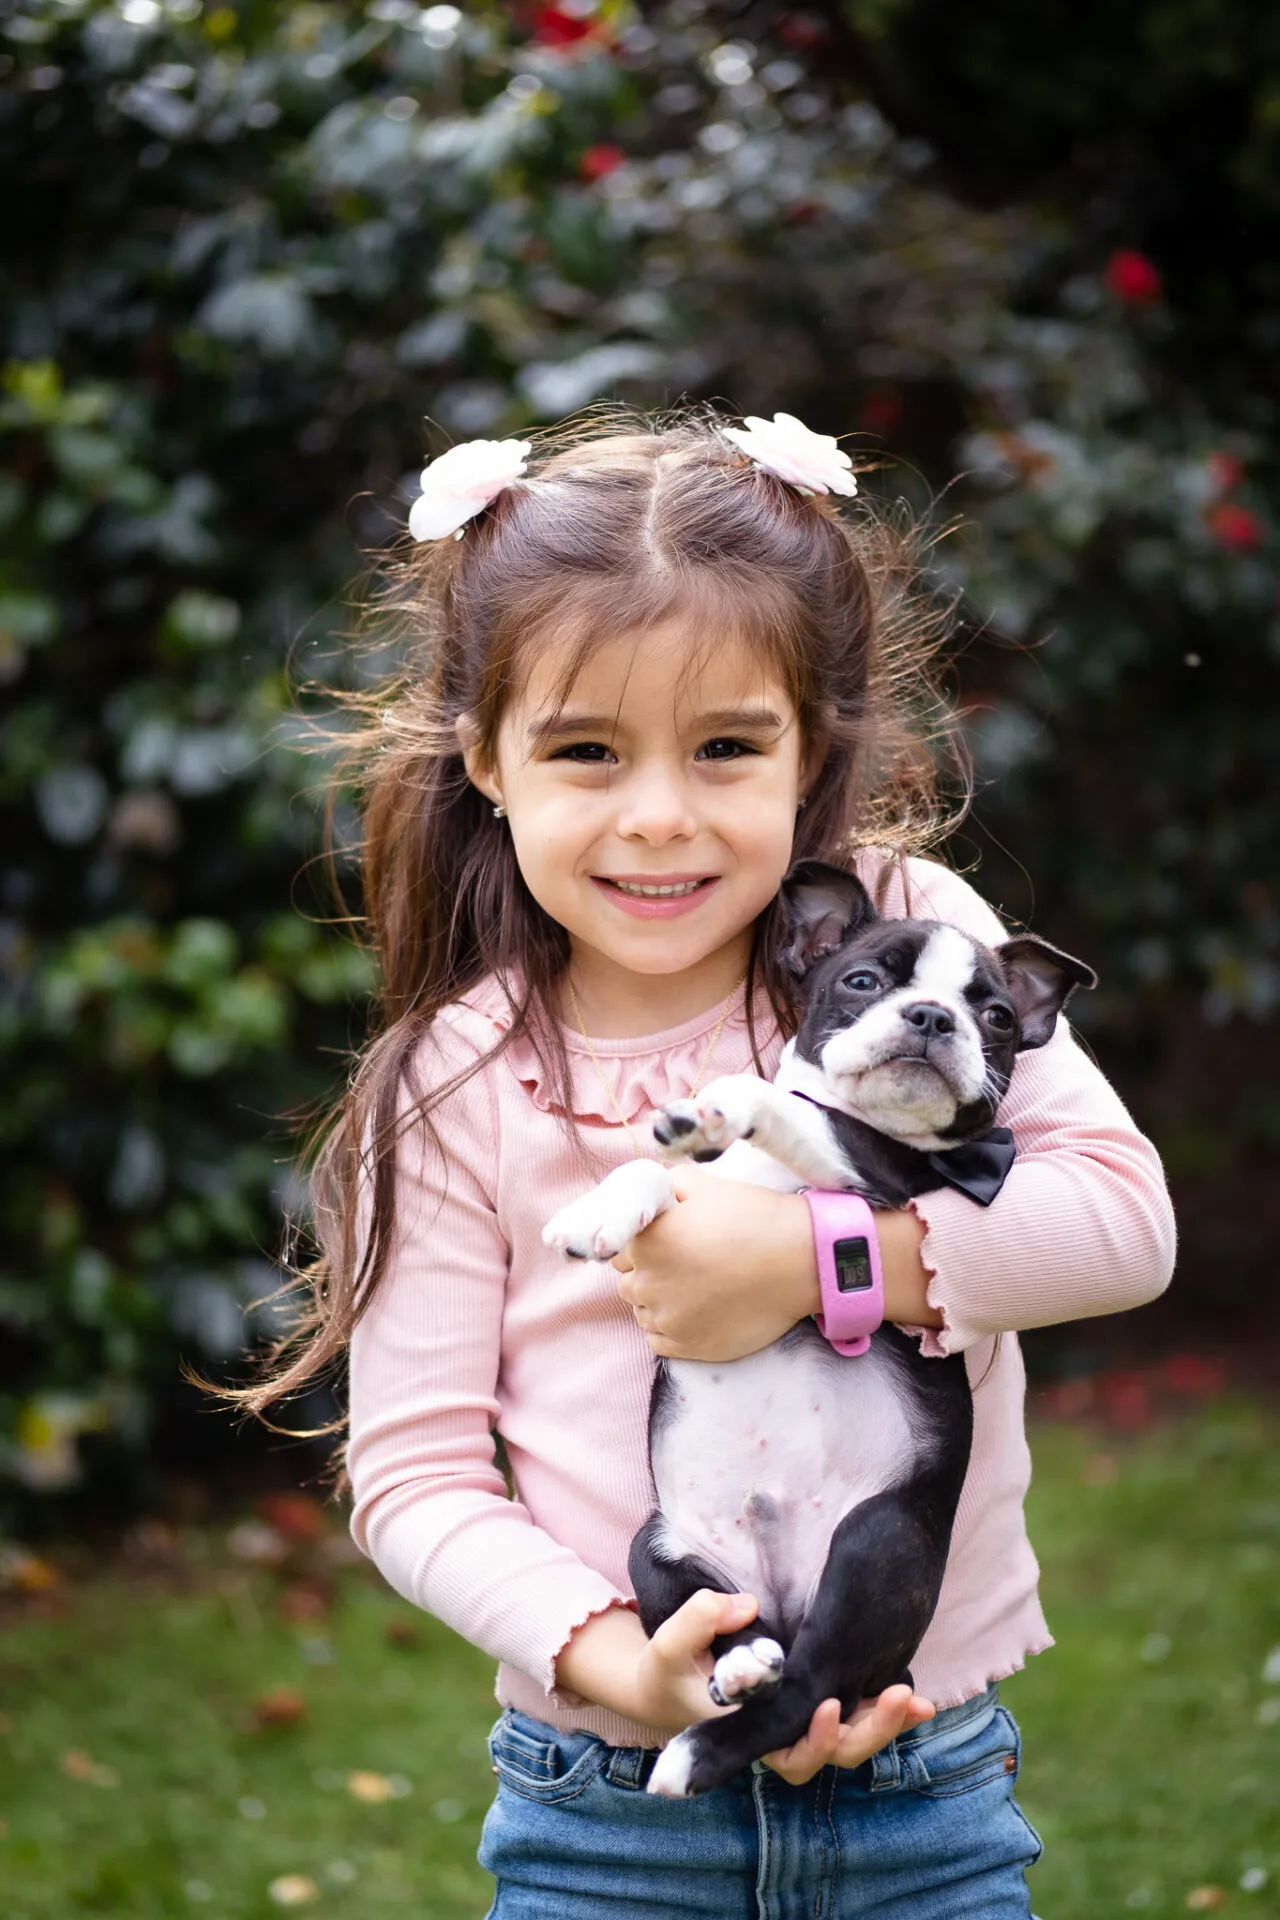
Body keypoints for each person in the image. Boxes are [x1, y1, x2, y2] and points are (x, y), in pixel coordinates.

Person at [249, 410, 1175, 1917]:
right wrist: (629, 1660)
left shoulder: (903, 947)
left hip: (921, 1784)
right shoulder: (460, 1079)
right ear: (487, 756)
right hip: (606, 1816)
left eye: (728, 745)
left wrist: (813, 1263)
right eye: (588, 750)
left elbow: (1122, 1223)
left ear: (815, 747)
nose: (661, 813)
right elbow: (415, 1471)